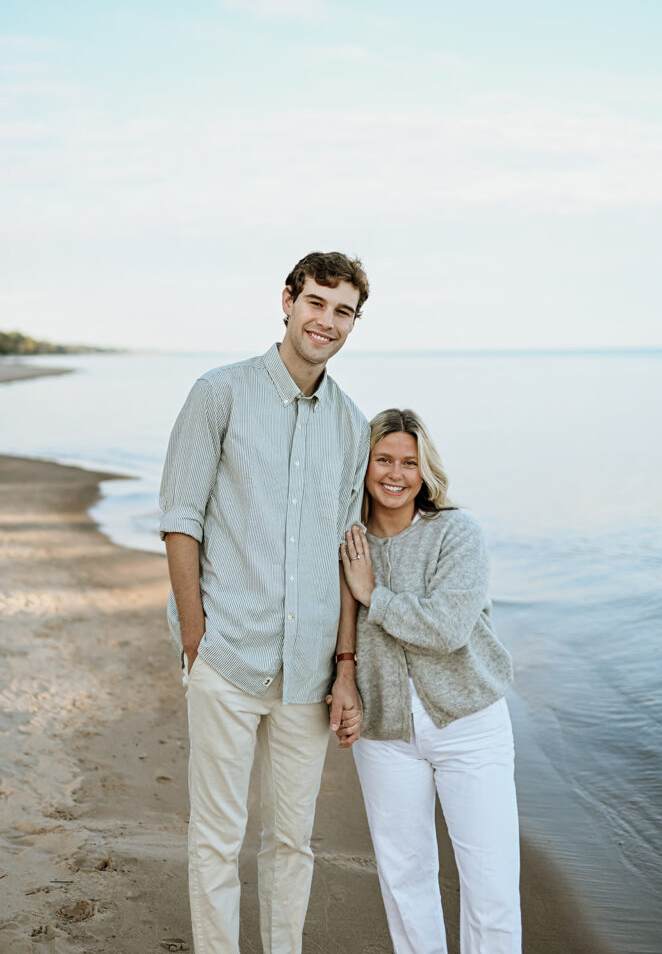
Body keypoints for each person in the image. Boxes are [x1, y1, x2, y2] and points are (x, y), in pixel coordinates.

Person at [159, 252, 370, 954]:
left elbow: (348, 557)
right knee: (217, 839)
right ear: (287, 300)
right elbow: (181, 517)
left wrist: (345, 667)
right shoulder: (219, 393)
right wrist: (196, 635)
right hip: (226, 652)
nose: (327, 321)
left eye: (343, 311)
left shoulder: (351, 425)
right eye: (316, 302)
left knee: (292, 841)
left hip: (308, 673)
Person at [339, 408, 521, 954]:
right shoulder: (345, 541)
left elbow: (446, 627)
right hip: (384, 733)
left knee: (491, 890)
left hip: (470, 725)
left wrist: (375, 595)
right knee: (405, 883)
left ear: (426, 471)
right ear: (364, 465)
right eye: (384, 459)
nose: (396, 474)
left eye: (410, 462)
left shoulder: (455, 532)